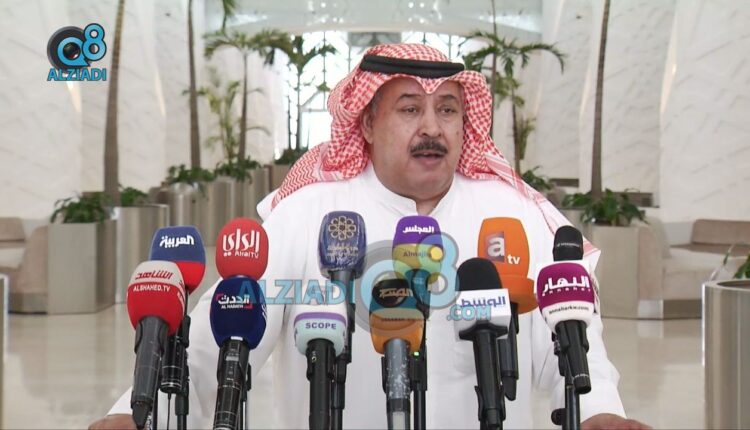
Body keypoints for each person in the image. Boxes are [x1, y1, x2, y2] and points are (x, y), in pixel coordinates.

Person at [91, 43, 649, 429]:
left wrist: (600, 409)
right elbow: (221, 339)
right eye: (409, 109)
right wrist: (133, 412)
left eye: (447, 110)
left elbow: (572, 341)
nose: (432, 128)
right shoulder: (306, 213)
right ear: (366, 123)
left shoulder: (512, 215)